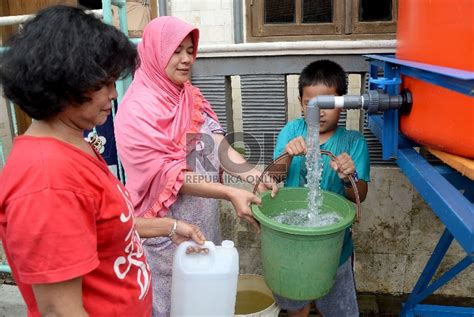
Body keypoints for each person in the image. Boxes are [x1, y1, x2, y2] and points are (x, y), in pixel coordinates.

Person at [0, 6, 205, 316]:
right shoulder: (46, 180)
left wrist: (168, 225)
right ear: (64, 81)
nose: (113, 94)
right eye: (104, 83)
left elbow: (98, 225)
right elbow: (59, 309)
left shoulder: (73, 144)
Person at [114, 16, 277, 316]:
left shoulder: (188, 94)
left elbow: (216, 144)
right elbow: (166, 176)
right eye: (176, 51)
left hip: (202, 223)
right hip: (164, 234)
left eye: (190, 50)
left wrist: (254, 174)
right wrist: (229, 193)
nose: (187, 59)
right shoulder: (134, 112)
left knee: (205, 300)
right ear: (155, 52)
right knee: (172, 304)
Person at [272, 60, 370, 317]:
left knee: (337, 307)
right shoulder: (293, 130)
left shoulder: (352, 142)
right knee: (296, 304)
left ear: (341, 102)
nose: (319, 112)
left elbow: (360, 194)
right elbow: (273, 176)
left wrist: (349, 176)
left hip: (334, 248)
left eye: (327, 104)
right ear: (301, 102)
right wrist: (287, 155)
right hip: (292, 241)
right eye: (310, 104)